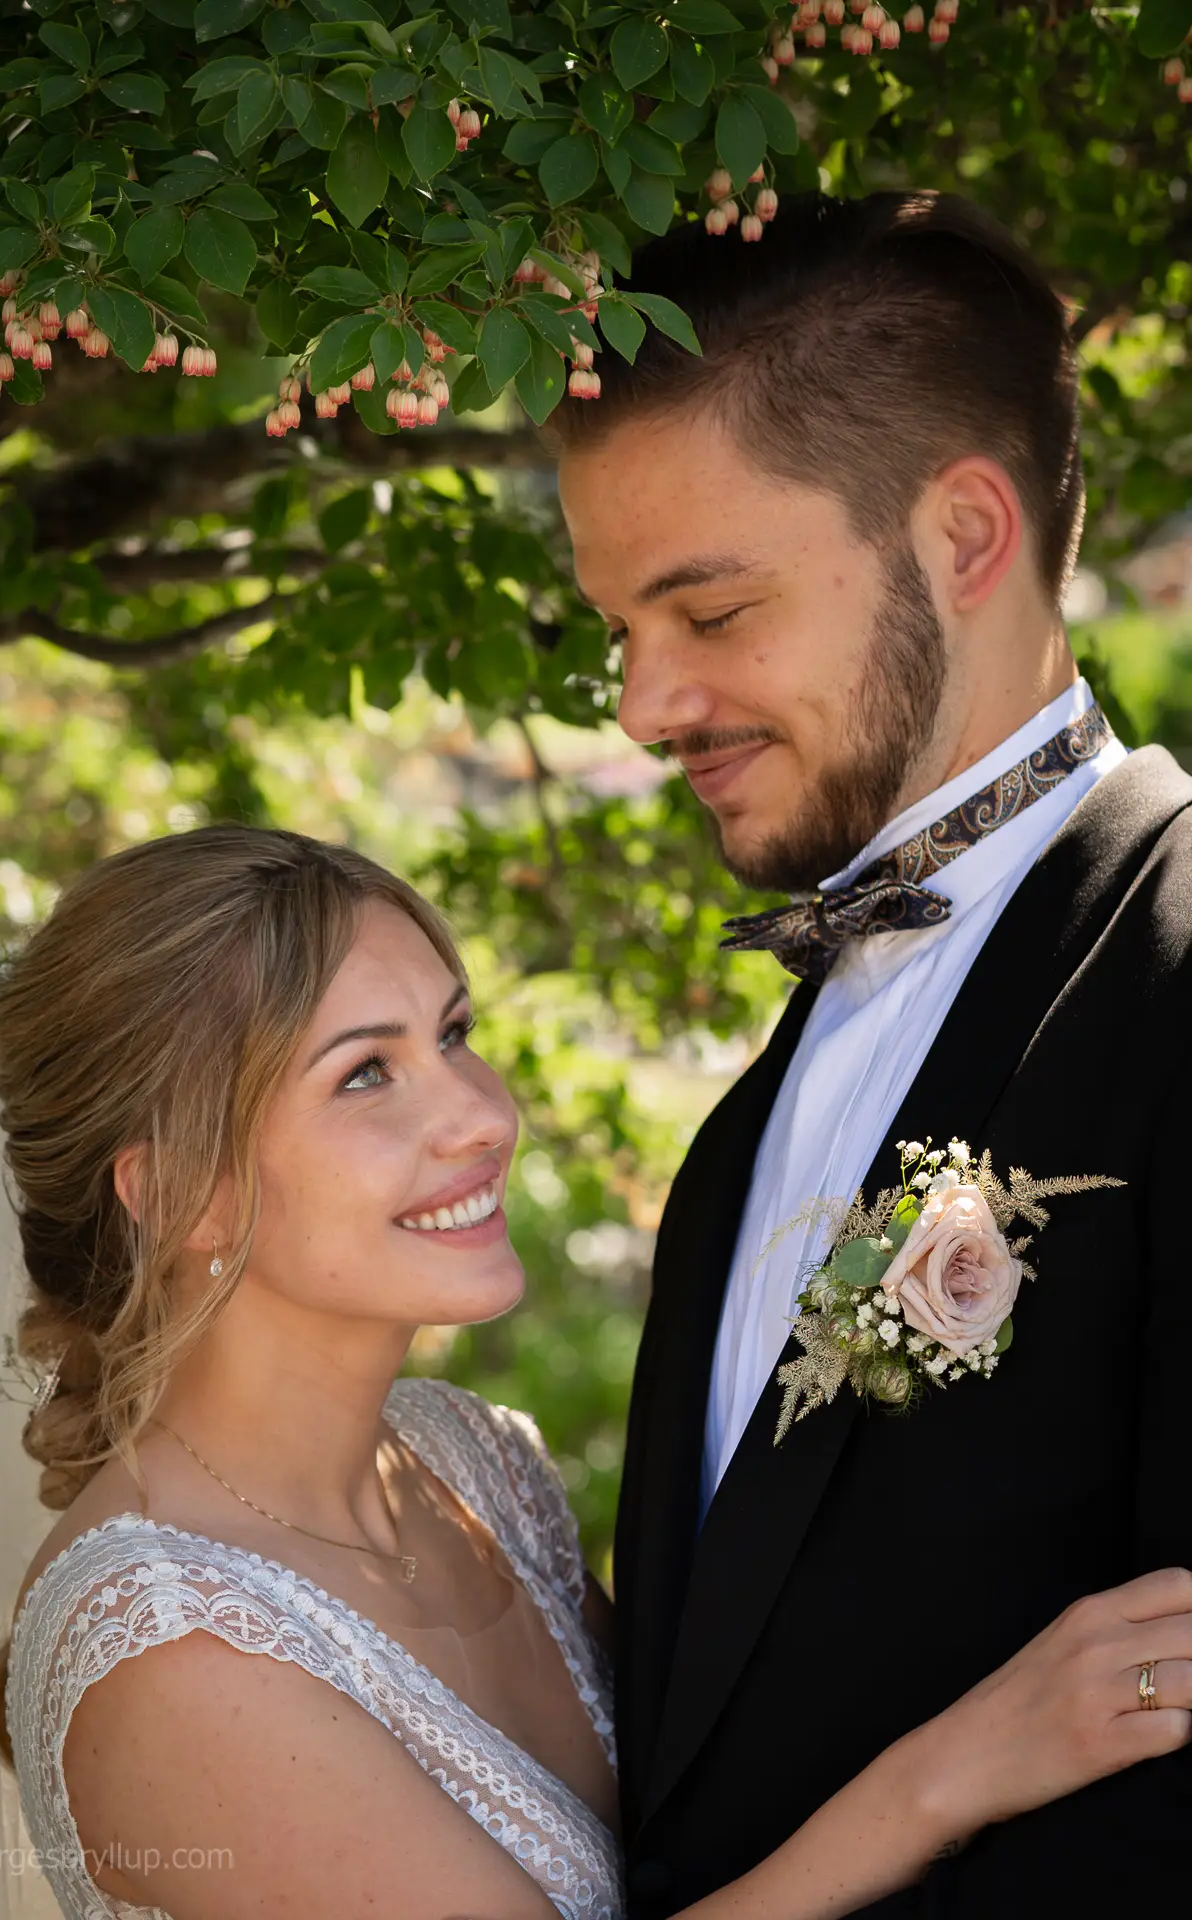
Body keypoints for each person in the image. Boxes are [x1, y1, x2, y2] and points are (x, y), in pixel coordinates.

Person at [0, 828, 1189, 1920]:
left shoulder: (471, 1462)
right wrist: (955, 1772)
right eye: (365, 1073)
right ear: (176, 1189)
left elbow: (712, 1794)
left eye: (453, 1033)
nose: (483, 1114)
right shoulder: (167, 1652)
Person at [553, 189, 1192, 1917]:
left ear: (965, 537)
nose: (642, 706)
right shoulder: (755, 1109)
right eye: (618, 632)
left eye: (709, 611)